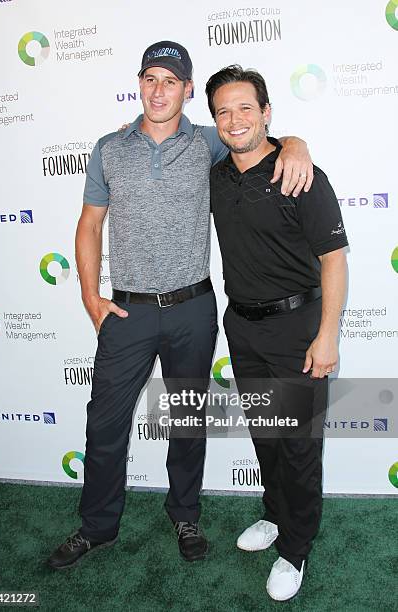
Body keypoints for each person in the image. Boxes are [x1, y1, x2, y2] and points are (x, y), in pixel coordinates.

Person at [47, 42, 313, 570]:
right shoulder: (109, 148)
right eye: (150, 77)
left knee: (187, 418)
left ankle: (185, 514)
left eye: (171, 80)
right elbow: (89, 224)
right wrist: (89, 296)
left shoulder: (209, 143)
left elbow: (258, 138)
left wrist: (297, 143)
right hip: (127, 311)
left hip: (193, 307)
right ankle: (97, 526)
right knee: (105, 423)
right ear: (139, 83)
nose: (159, 89)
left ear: (188, 89)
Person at [206, 65, 348, 601]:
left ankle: (296, 547)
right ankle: (273, 514)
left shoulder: (302, 173)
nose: (235, 119)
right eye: (224, 110)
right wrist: (292, 139)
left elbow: (334, 259)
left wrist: (327, 335)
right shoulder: (218, 173)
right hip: (241, 326)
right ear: (215, 120)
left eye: (247, 107)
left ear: (267, 112)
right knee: (266, 435)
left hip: (298, 330)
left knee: (299, 445)